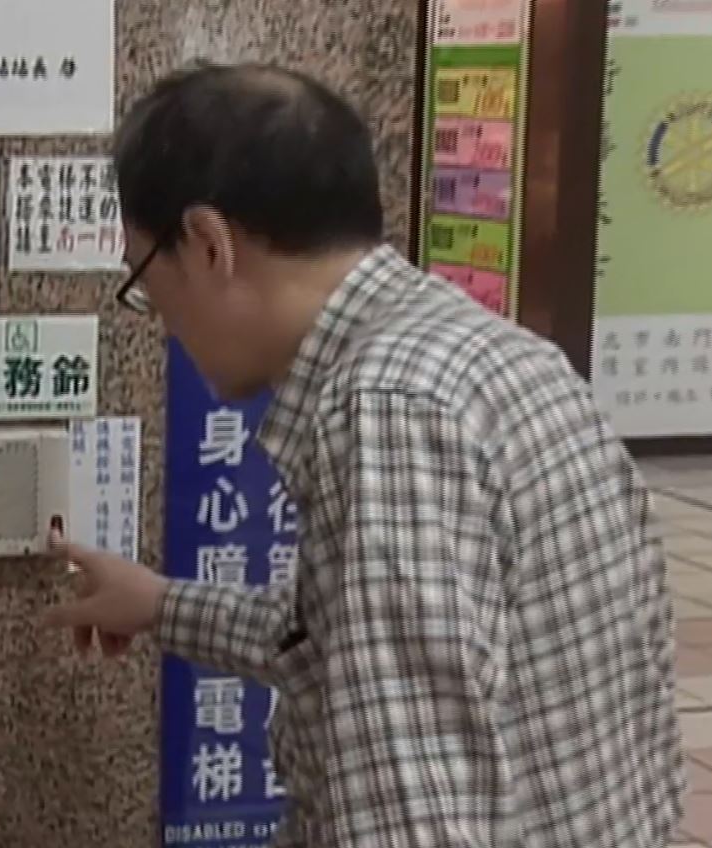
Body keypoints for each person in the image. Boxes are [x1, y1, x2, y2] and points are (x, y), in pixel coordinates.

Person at [43, 62, 685, 847]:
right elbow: (346, 640)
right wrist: (158, 604)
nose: (164, 322)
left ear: (208, 245)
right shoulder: (486, 354)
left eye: (145, 281)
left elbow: (410, 813)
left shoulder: (383, 410)